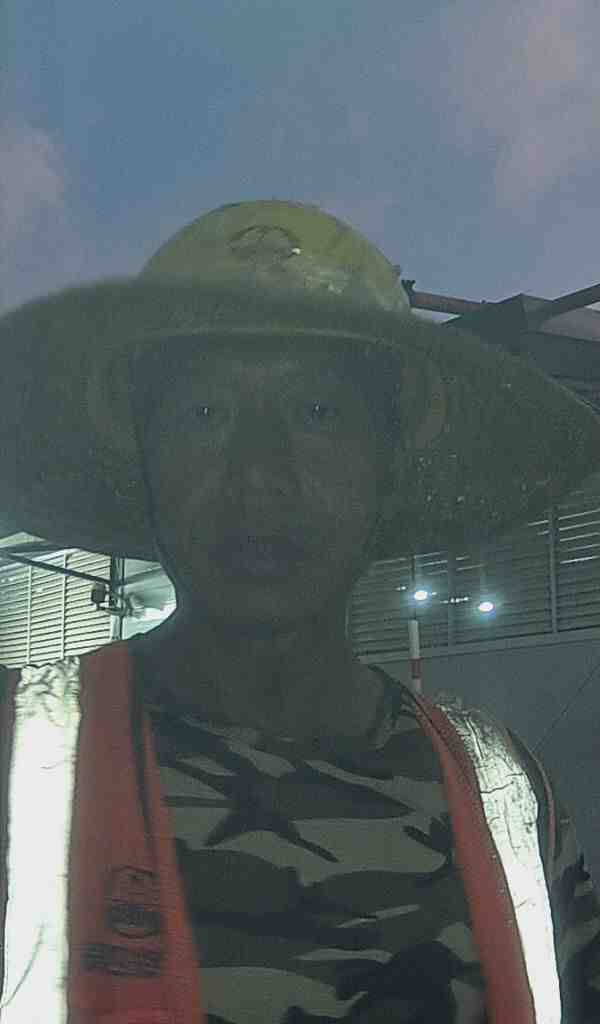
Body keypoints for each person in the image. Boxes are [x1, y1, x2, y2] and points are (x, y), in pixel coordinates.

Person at [1, 199, 600, 1023]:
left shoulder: (507, 795)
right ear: (147, 464)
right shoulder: (17, 762)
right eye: (204, 414)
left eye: (319, 413)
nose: (259, 474)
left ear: (388, 466)